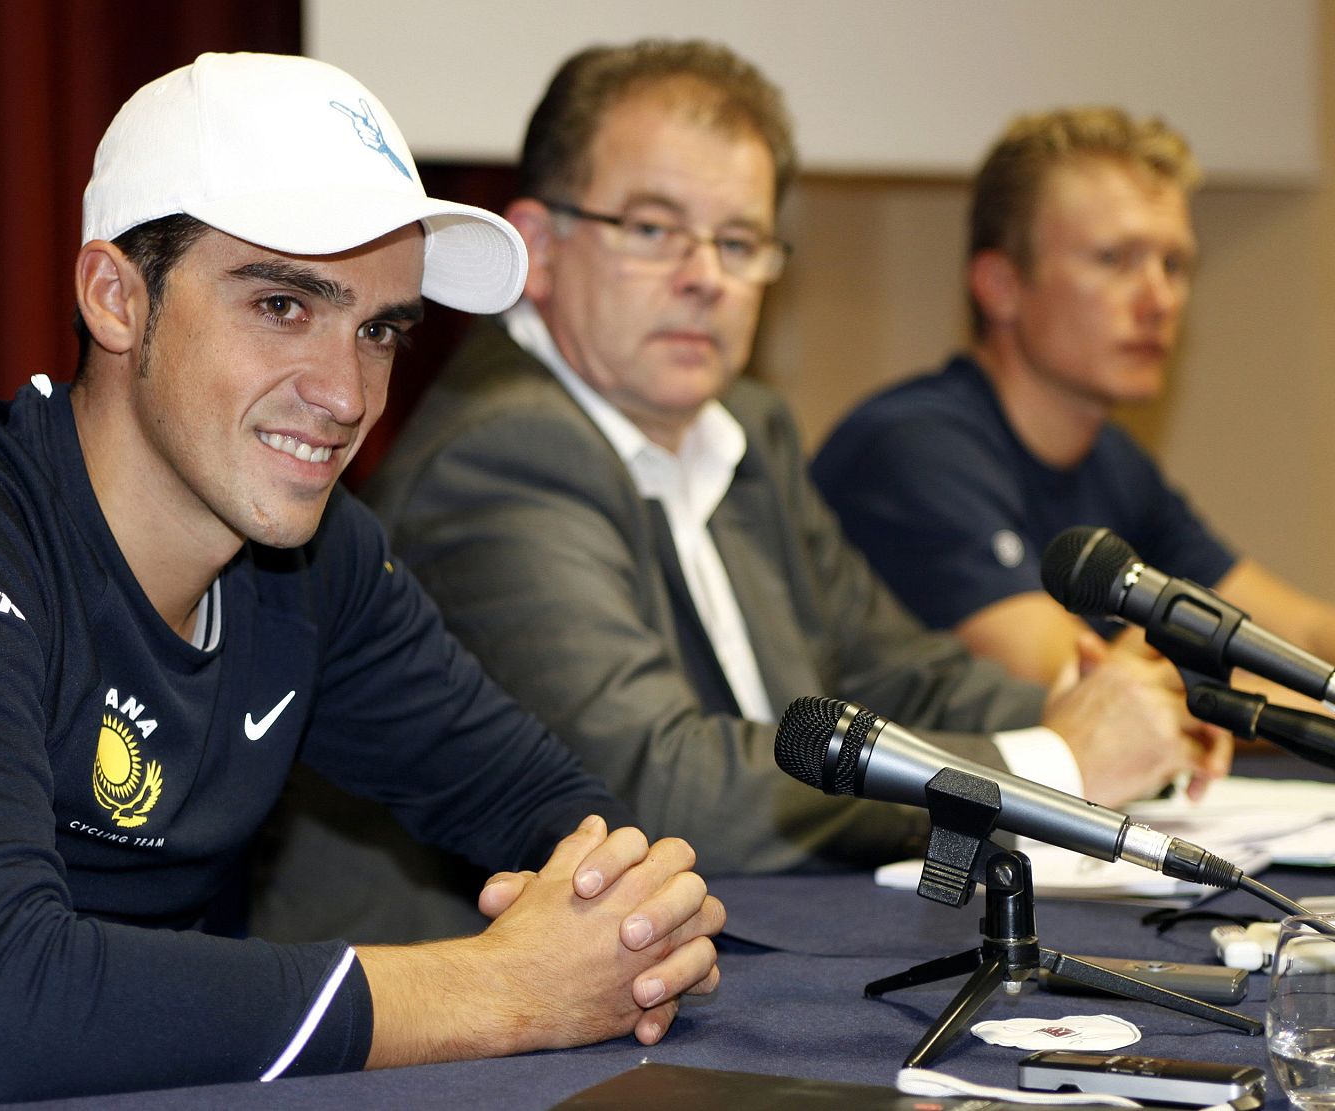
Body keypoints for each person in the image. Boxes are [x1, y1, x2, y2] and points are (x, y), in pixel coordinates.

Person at [0, 53, 724, 1109]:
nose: (346, 394)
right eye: (283, 306)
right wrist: (497, 988)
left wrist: (633, 924)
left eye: (380, 329)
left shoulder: (318, 557)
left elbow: (546, 806)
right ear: (116, 298)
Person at [349, 40, 1227, 891]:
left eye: (739, 242)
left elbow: (891, 669)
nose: (706, 279)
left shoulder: (746, 425)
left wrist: (1097, 703)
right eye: (655, 229)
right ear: (538, 246)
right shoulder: (503, 452)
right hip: (468, 1004)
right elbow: (657, 790)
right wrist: (1061, 760)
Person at [812, 107, 1335, 687]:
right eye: (1114, 260)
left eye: (1175, 264)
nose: (1160, 299)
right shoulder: (910, 451)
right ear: (1001, 287)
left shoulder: (1113, 461)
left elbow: (1298, 635)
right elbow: (1080, 689)